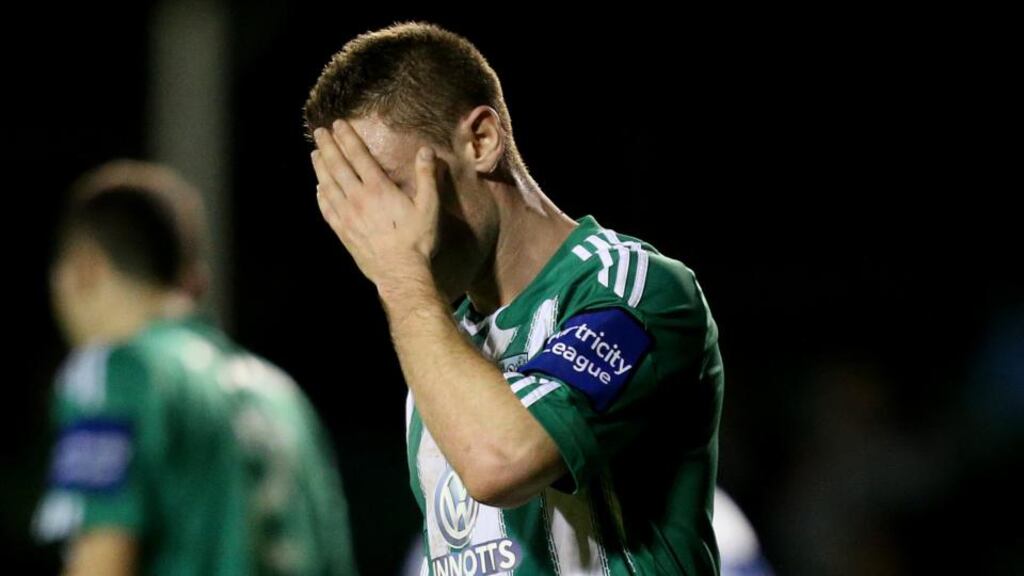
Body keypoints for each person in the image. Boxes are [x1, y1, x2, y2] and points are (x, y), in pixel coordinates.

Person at [305, 22, 724, 575]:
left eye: (390, 188)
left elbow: (500, 460)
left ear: (480, 141)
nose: (378, 230)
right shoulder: (441, 340)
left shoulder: (631, 287)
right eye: (354, 203)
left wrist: (401, 281)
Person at [33, 160, 358, 575]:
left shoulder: (118, 371)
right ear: (192, 278)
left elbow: (102, 563)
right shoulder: (281, 392)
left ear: (86, 267)